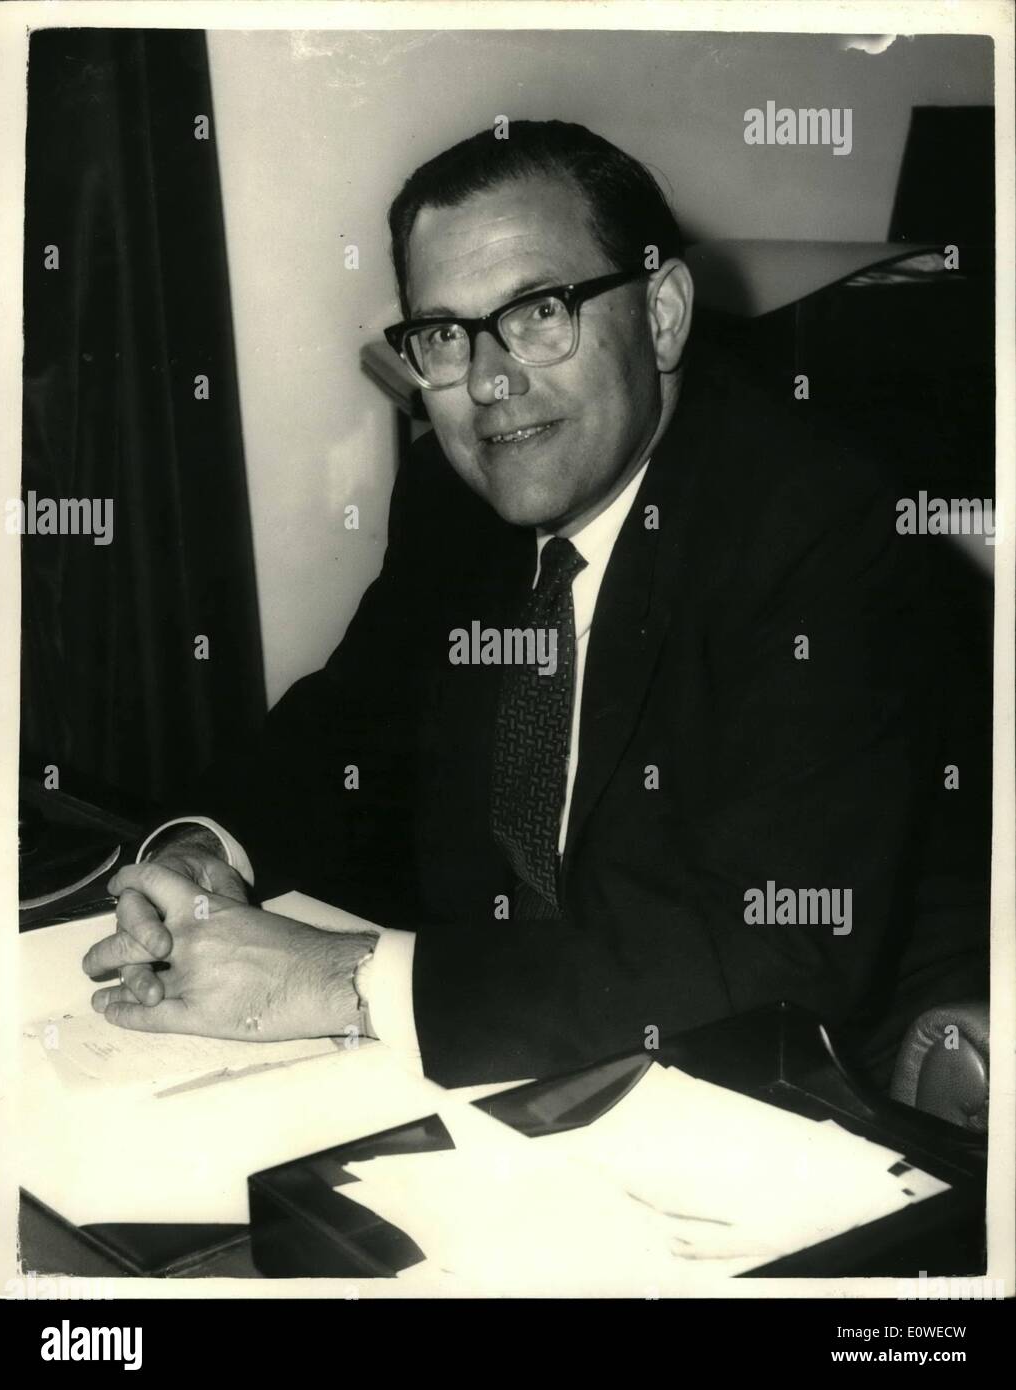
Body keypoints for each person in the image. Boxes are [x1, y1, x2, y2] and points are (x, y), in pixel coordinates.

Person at [81, 120, 986, 1088]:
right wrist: (200, 851)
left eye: (537, 312)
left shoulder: (825, 529)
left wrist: (341, 982)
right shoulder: (456, 497)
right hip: (503, 1073)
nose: (487, 381)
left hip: (743, 1098)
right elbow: (343, 734)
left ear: (664, 315)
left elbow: (773, 952)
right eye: (444, 334)